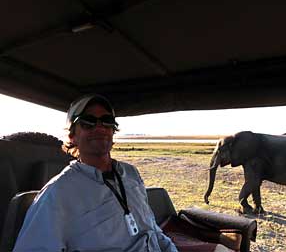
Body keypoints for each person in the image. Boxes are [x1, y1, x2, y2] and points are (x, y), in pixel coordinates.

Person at [13, 94, 178, 252]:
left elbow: (153, 231)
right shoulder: (56, 194)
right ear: (72, 136)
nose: (99, 128)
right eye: (88, 122)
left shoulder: (131, 174)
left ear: (113, 131)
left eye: (107, 121)